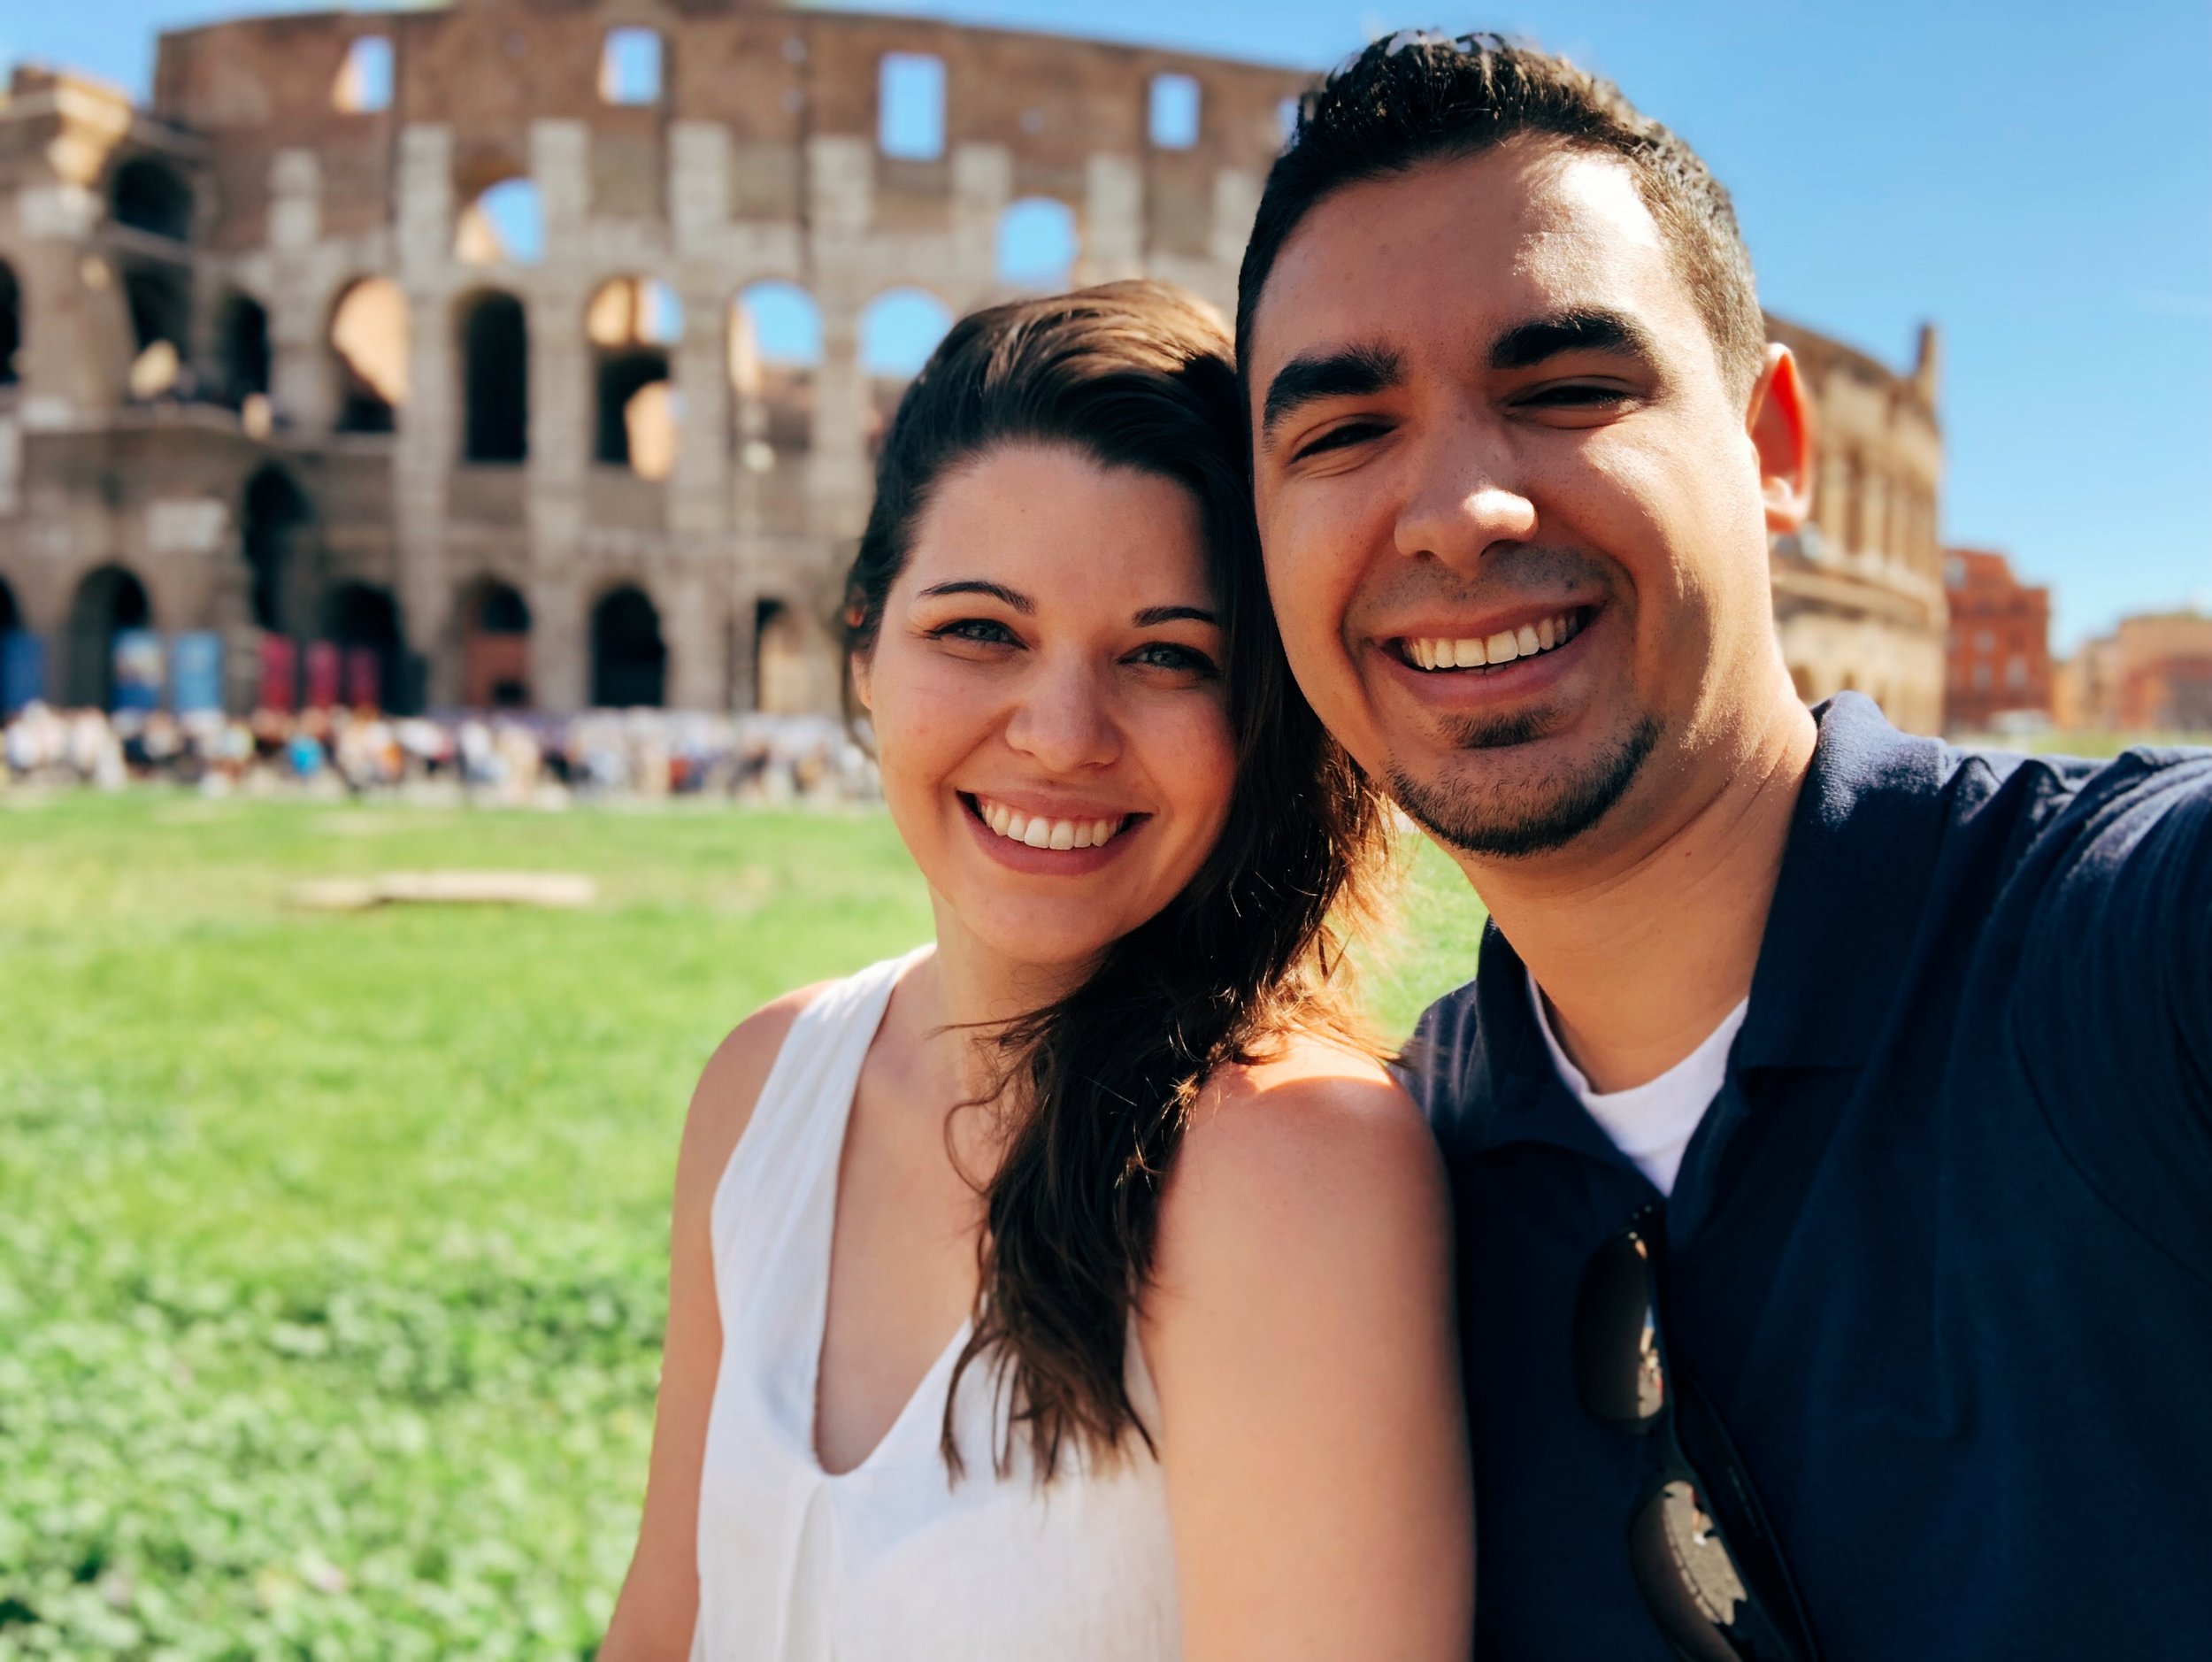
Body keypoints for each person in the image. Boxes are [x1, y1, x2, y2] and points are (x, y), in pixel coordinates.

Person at [1237, 32, 2212, 1662]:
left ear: (1774, 448)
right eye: (1340, 432)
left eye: (1566, 390)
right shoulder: (1386, 1187)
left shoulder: (2123, 950)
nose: (1458, 509)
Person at [600, 281, 1473, 1661]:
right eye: (981, 631)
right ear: (864, 646)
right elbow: (666, 1618)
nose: (1063, 734)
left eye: (1165, 655)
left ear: (1257, 711)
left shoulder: (1288, 1158)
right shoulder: (763, 1085)